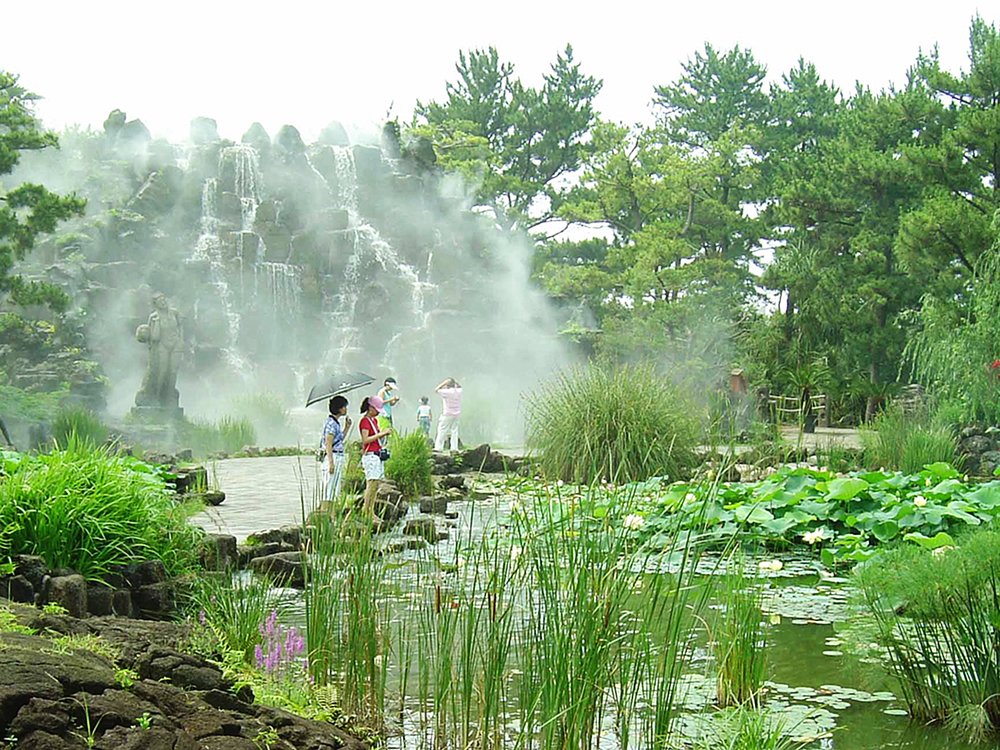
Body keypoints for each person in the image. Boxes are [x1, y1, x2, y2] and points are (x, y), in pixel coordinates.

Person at [359, 395, 392, 513]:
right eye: (376, 410)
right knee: (371, 484)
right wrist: (381, 434)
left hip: (376, 455)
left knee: (375, 484)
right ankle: (367, 511)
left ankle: (370, 510)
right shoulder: (364, 421)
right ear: (370, 408)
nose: (378, 413)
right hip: (370, 456)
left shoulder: (374, 421)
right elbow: (365, 440)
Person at [321, 395, 352, 503]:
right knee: (330, 488)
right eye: (344, 406)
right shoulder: (331, 424)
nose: (346, 409)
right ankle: (327, 512)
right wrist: (331, 463)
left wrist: (347, 427)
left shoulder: (335, 423)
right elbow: (328, 444)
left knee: (335, 487)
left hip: (337, 456)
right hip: (333, 456)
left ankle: (332, 514)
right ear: (339, 408)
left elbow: (338, 440)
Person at [434, 378, 462, 452]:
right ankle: (454, 448)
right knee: (454, 431)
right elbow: (460, 387)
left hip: (447, 414)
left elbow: (436, 390)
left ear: (447, 385)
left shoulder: (447, 392)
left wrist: (443, 383)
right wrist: (454, 382)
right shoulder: (458, 391)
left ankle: (439, 447)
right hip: (457, 414)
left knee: (442, 430)